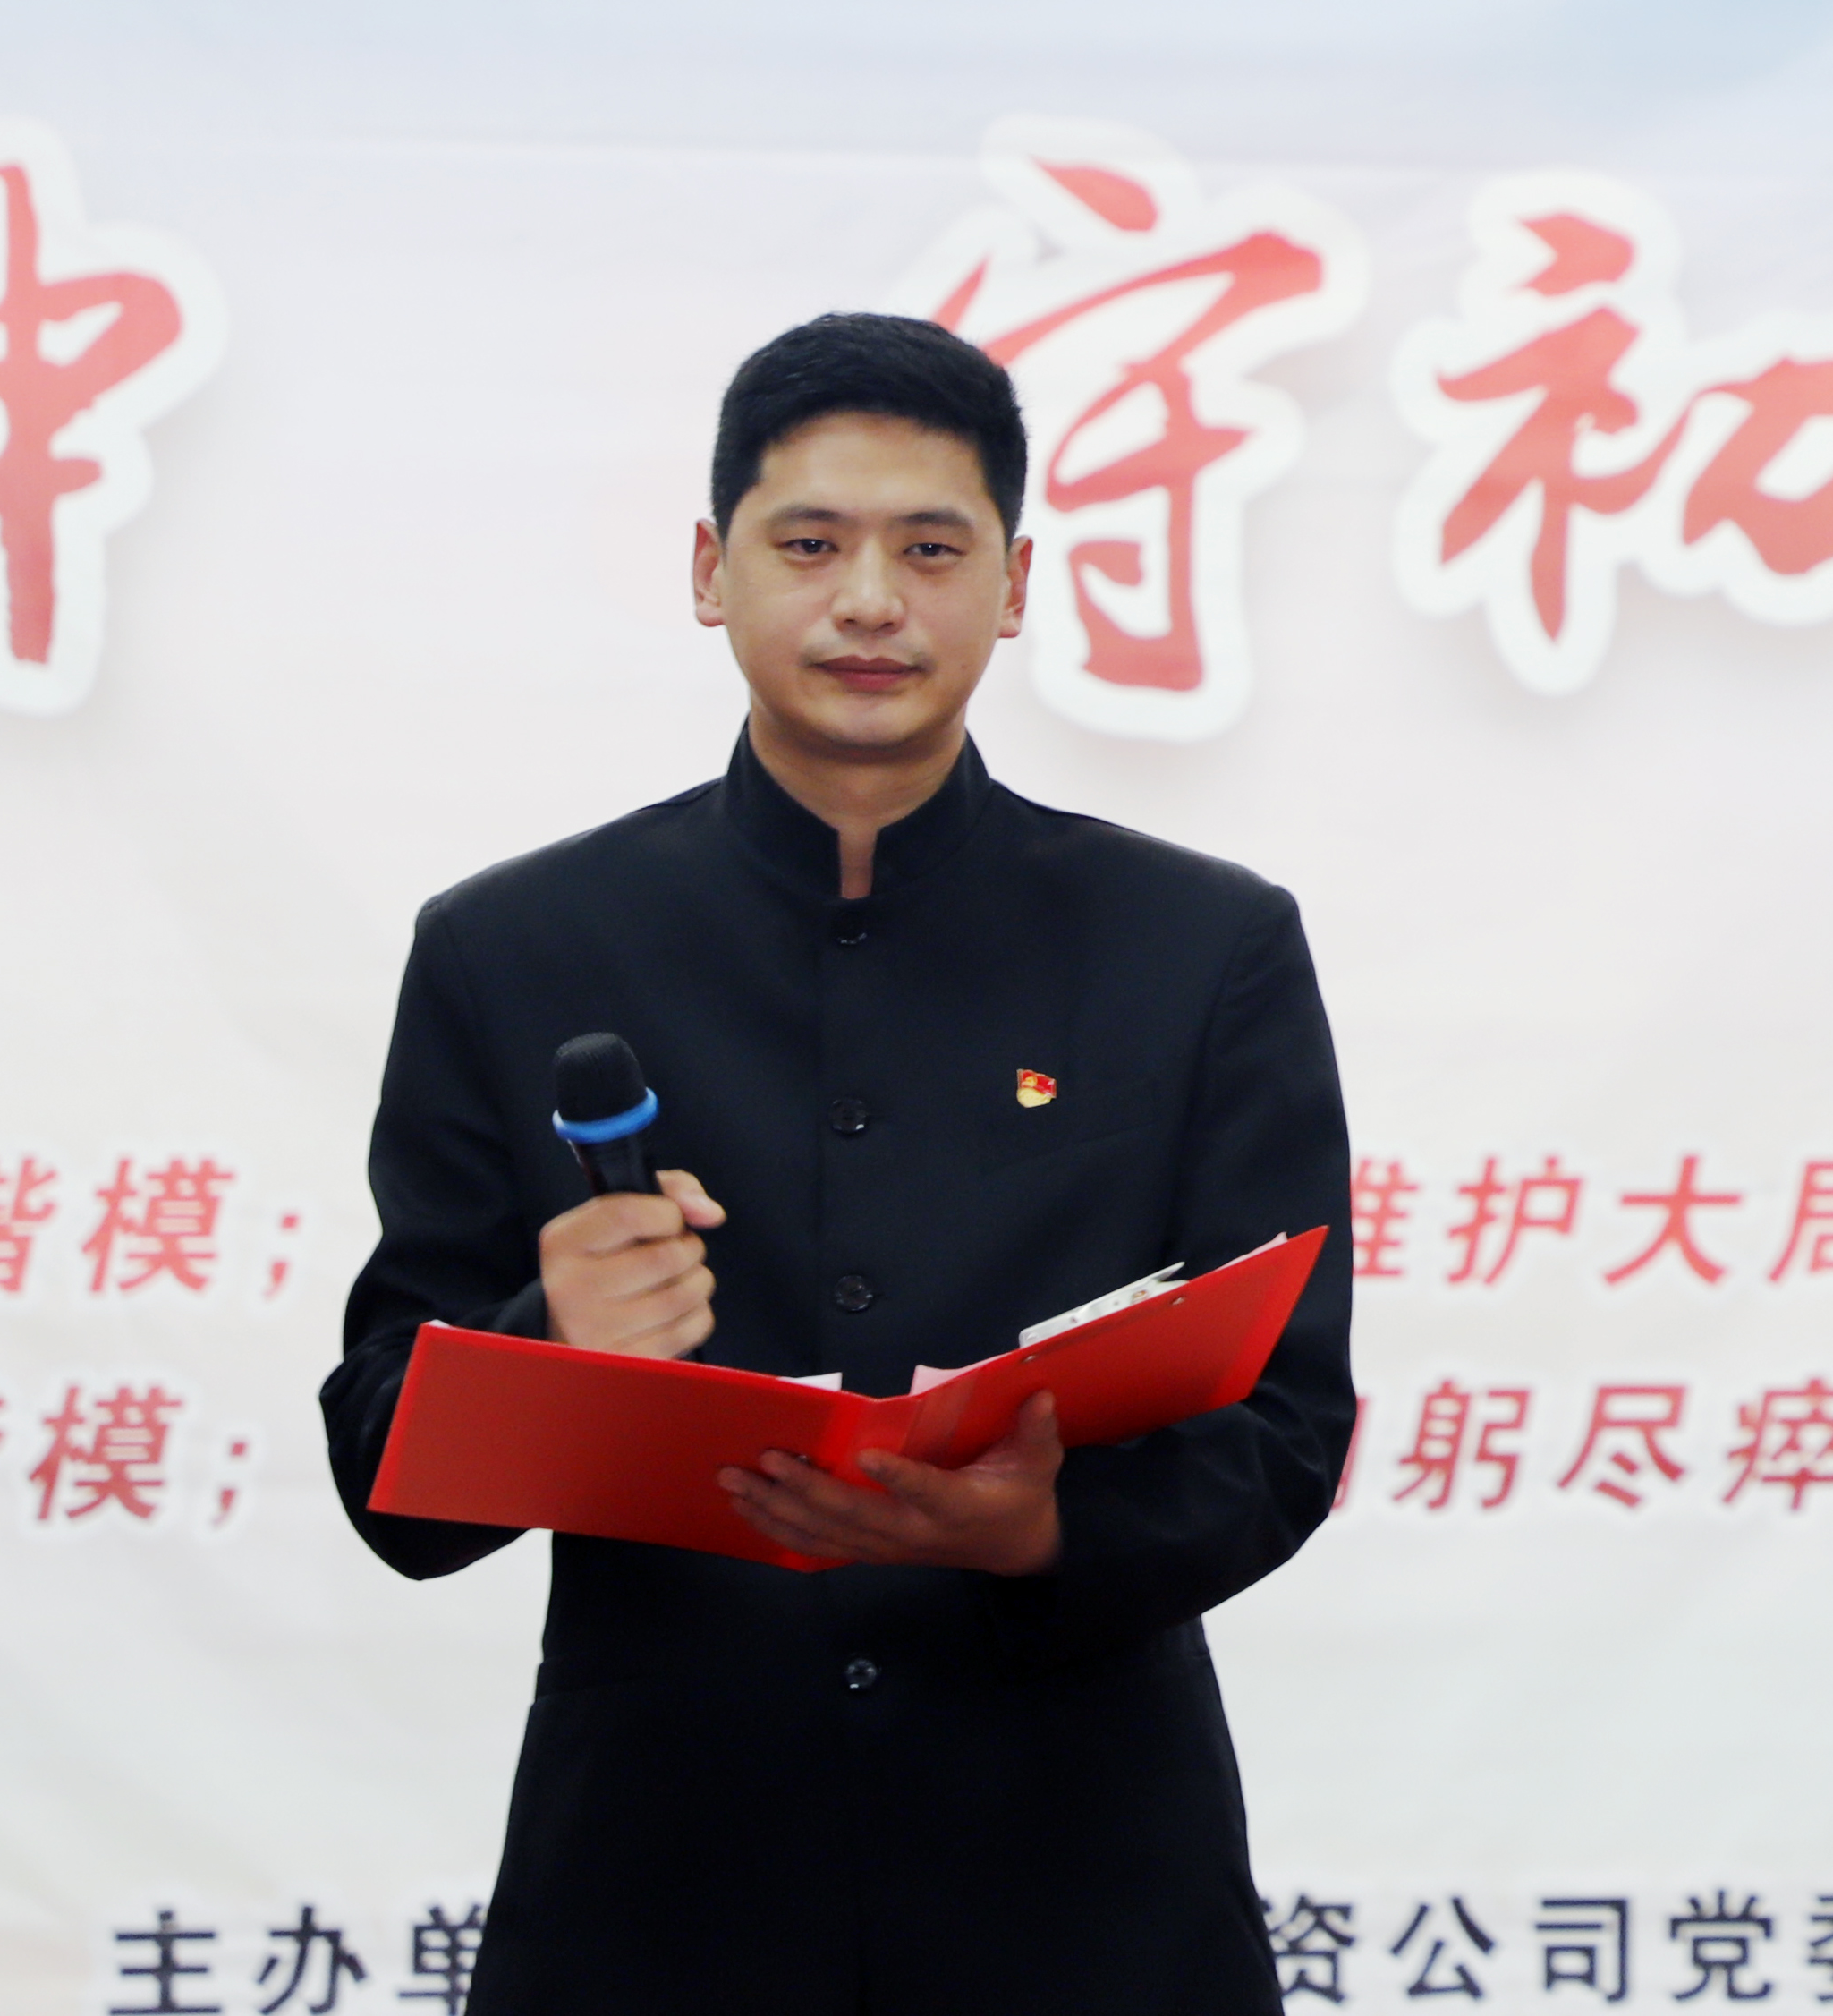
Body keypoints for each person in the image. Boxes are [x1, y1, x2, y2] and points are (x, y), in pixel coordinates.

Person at [318, 313, 1354, 2014]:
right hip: (657, 1897)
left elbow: (1289, 1426)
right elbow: (388, 1489)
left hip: (1086, 1893)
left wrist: (1042, 1529)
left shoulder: (1200, 946)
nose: (870, 600)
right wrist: (546, 1337)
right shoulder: (512, 947)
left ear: (1014, 586)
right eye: (809, 544)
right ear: (709, 571)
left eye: (930, 549)